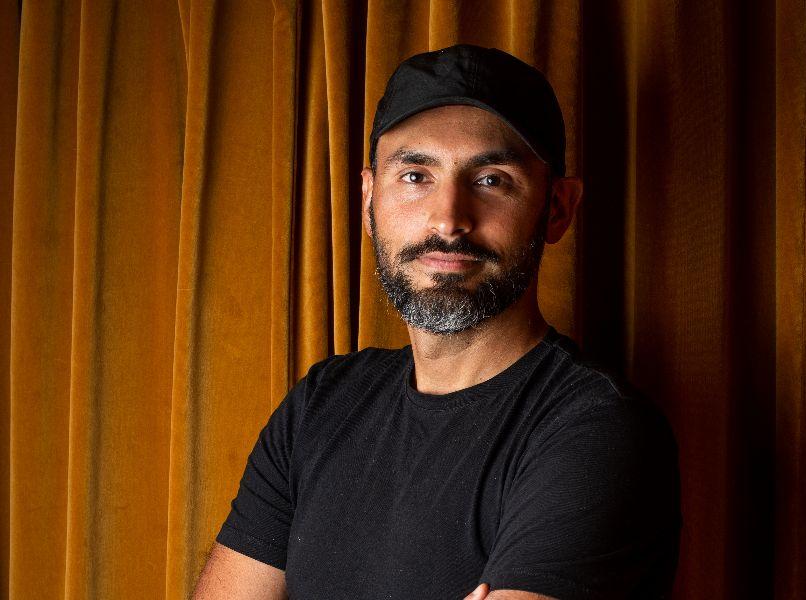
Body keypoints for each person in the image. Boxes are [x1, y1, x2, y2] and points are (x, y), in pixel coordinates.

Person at [193, 44, 681, 600]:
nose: (448, 220)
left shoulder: (597, 431)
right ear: (369, 200)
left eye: (491, 180)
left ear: (557, 208)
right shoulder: (321, 405)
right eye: (415, 175)